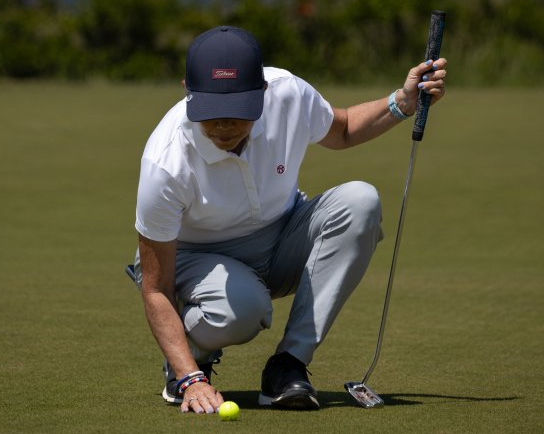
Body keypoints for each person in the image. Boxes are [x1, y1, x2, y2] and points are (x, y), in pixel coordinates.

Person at [132, 25, 447, 414]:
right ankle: (191, 360)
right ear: (187, 91)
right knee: (242, 309)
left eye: (238, 112)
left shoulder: (288, 92)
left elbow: (344, 128)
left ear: (263, 93)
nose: (224, 126)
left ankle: (287, 366)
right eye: (212, 113)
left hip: (282, 238)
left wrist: (402, 101)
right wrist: (189, 377)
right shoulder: (165, 161)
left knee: (360, 201)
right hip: (196, 260)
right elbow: (155, 287)